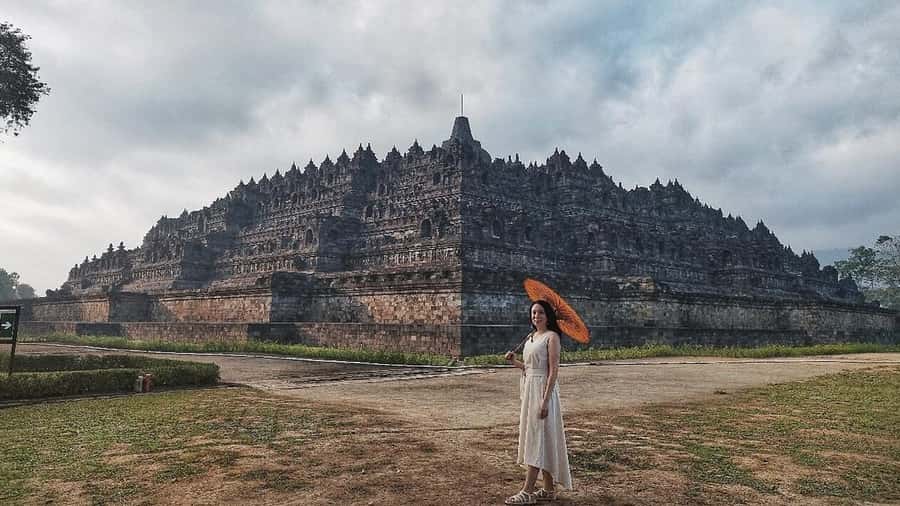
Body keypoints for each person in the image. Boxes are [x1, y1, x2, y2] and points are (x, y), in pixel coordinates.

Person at [503, 300, 573, 504]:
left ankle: (527, 491)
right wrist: (514, 361)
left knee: (537, 436)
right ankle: (549, 488)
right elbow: (528, 368)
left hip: (544, 390)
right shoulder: (530, 337)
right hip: (530, 389)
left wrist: (545, 401)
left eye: (540, 312)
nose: (536, 316)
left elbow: (553, 371)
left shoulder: (552, 337)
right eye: (533, 313)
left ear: (548, 315)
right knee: (541, 436)